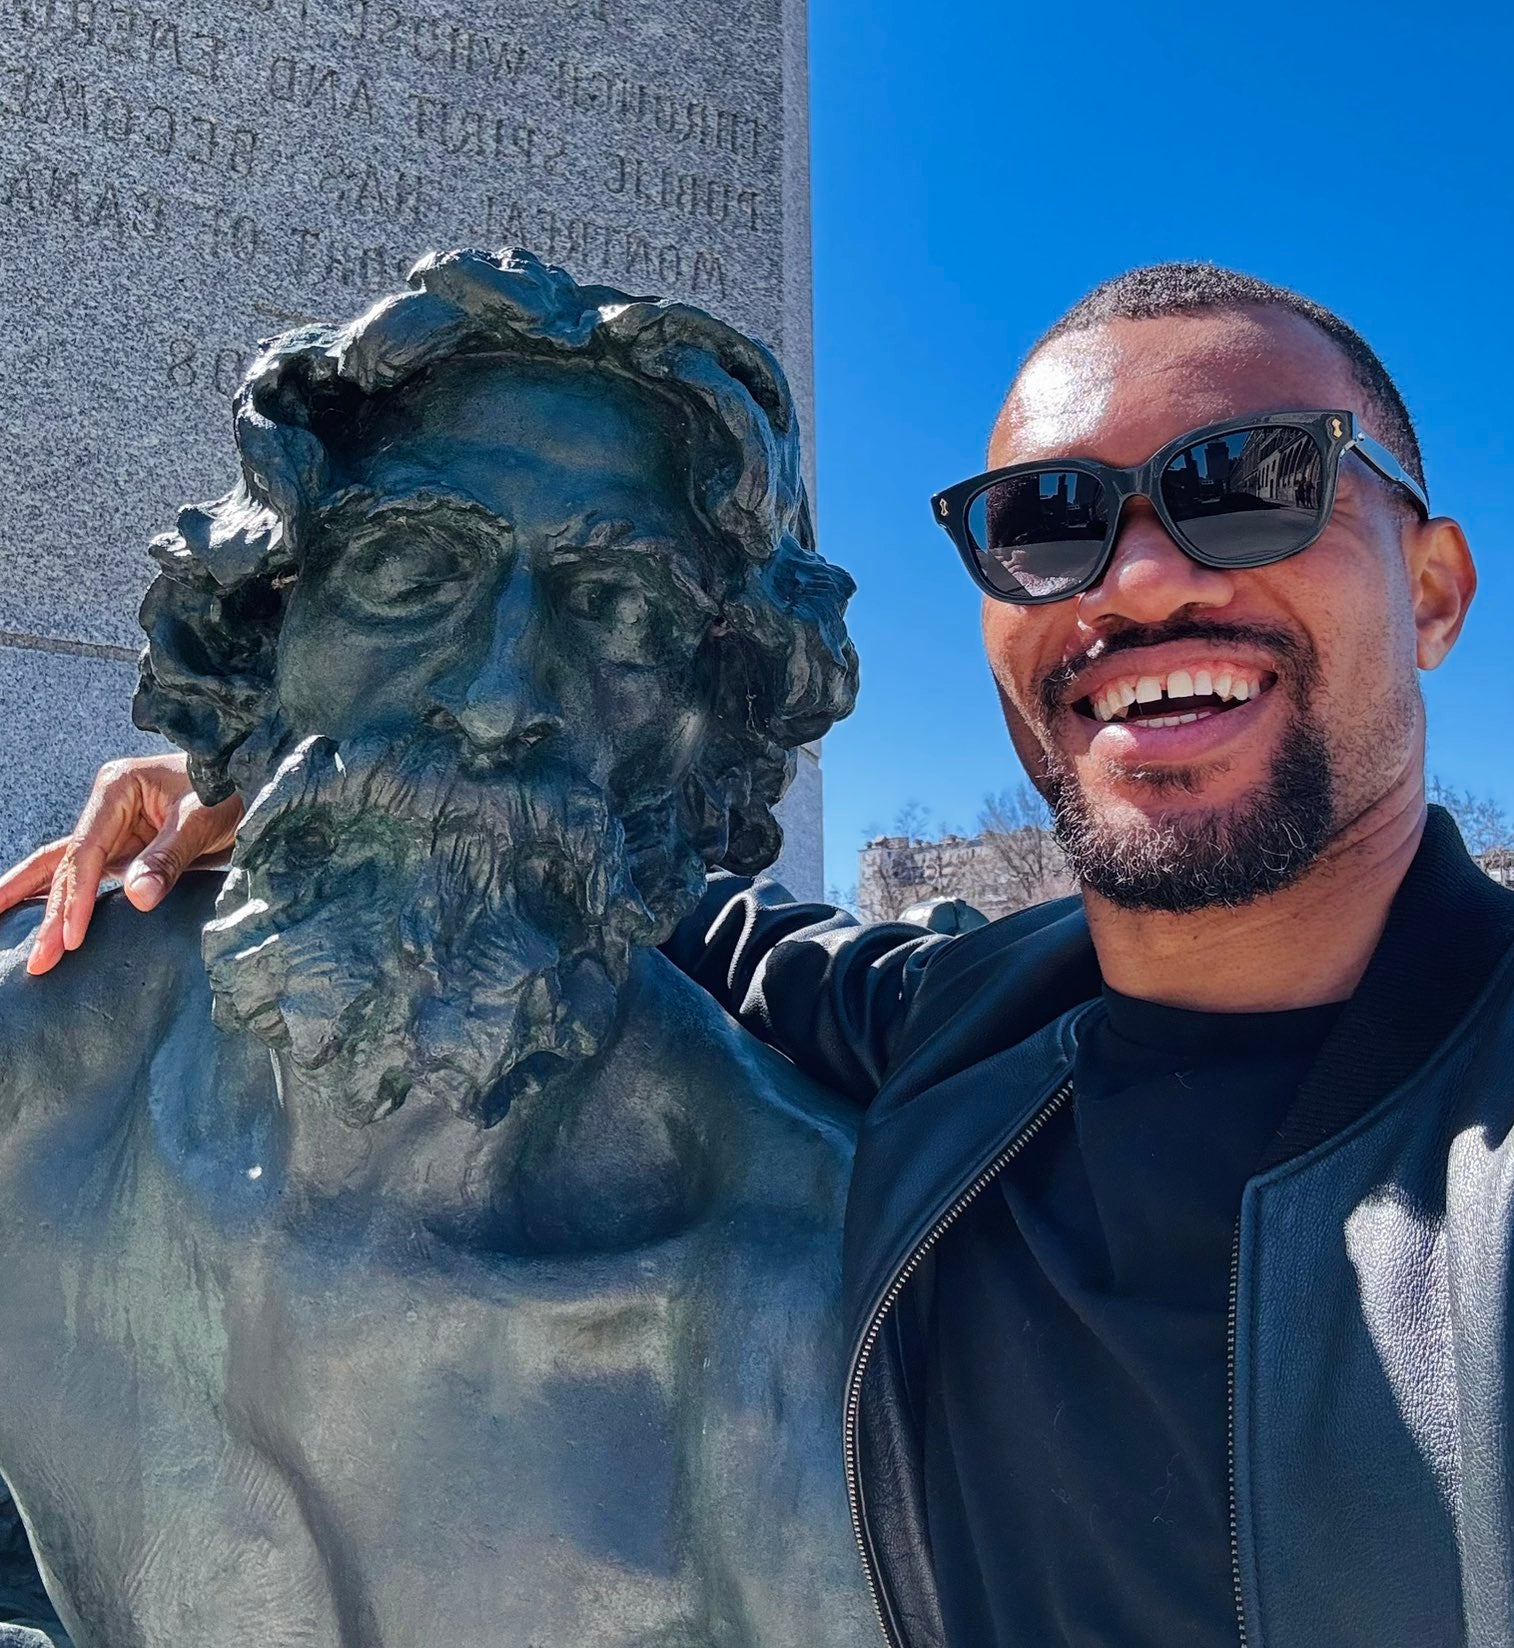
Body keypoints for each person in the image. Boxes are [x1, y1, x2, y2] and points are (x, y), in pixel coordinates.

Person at [6, 260, 1514, 1648]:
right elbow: (585, 871)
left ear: (1437, 590)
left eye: (1251, 485)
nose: (1137, 578)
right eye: (1050, 524)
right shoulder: (950, 1034)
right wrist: (283, 775)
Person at [0, 249, 874, 1648]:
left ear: (709, 725)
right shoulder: (38, 1062)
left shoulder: (802, 1307)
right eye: (411, 569)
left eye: (619, 610)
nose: (495, 696)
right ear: (267, 630)